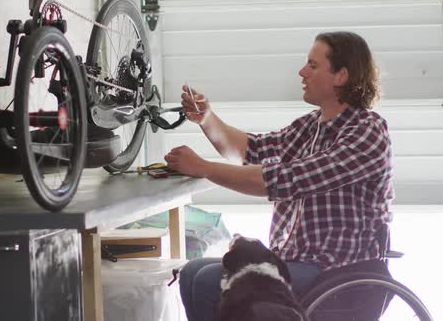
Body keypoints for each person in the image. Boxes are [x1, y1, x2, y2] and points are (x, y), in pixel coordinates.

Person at [164, 31, 394, 321]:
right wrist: (207, 119)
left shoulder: (367, 131)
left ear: (341, 76)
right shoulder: (311, 126)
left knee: (210, 282)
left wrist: (205, 168)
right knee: (192, 273)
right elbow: (252, 150)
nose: (302, 72)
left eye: (312, 65)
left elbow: (283, 180)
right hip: (295, 261)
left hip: (340, 270)